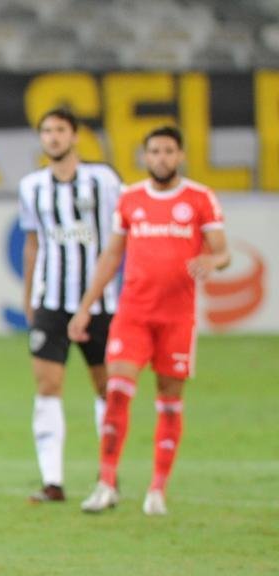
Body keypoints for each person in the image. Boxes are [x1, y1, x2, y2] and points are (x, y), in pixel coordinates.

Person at [67, 126, 228, 515]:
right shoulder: (131, 199)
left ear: (180, 155)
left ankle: (157, 489)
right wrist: (86, 305)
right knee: (117, 393)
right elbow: (111, 256)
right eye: (154, 151)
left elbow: (222, 253)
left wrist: (211, 260)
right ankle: (106, 483)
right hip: (133, 315)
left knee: (169, 402)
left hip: (177, 319)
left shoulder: (199, 199)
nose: (161, 158)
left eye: (168, 151)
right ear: (145, 156)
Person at [18, 107, 123, 503]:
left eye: (60, 130)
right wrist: (28, 295)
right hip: (51, 301)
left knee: (106, 387)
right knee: (47, 386)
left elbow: (120, 238)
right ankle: (52, 481)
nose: (53, 137)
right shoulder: (32, 186)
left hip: (100, 304)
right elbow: (32, 244)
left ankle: (107, 477)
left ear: (74, 135)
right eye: (46, 131)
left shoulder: (105, 181)